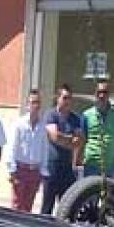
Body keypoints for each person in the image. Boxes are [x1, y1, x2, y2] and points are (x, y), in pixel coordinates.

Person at [41, 84, 84, 215]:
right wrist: (70, 140)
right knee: (47, 206)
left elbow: (79, 140)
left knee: (67, 207)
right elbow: (54, 136)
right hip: (52, 168)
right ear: (58, 98)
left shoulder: (75, 118)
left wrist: (67, 140)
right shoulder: (51, 115)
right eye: (65, 98)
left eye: (69, 98)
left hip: (67, 169)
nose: (67, 101)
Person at [7, 89, 49, 212]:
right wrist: (12, 169)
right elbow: (12, 147)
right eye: (32, 102)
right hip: (20, 170)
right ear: (27, 105)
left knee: (28, 206)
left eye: (37, 103)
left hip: (34, 171)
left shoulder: (42, 126)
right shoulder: (19, 124)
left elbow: (44, 149)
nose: (35, 106)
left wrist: (43, 170)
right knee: (17, 206)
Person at [80, 80, 114, 180]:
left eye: (105, 92)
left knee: (108, 194)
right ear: (95, 94)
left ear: (109, 95)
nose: (102, 95)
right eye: (99, 92)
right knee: (90, 194)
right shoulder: (86, 115)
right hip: (91, 165)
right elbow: (82, 140)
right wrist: (77, 163)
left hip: (109, 167)